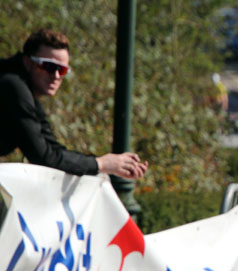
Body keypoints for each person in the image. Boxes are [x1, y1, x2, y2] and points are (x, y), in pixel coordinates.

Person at [0, 28, 148, 179]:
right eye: (49, 67)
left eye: (62, 70)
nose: (56, 76)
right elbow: (43, 157)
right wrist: (101, 164)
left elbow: (52, 149)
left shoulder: (23, 89)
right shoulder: (12, 87)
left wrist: (109, 165)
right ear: (27, 62)